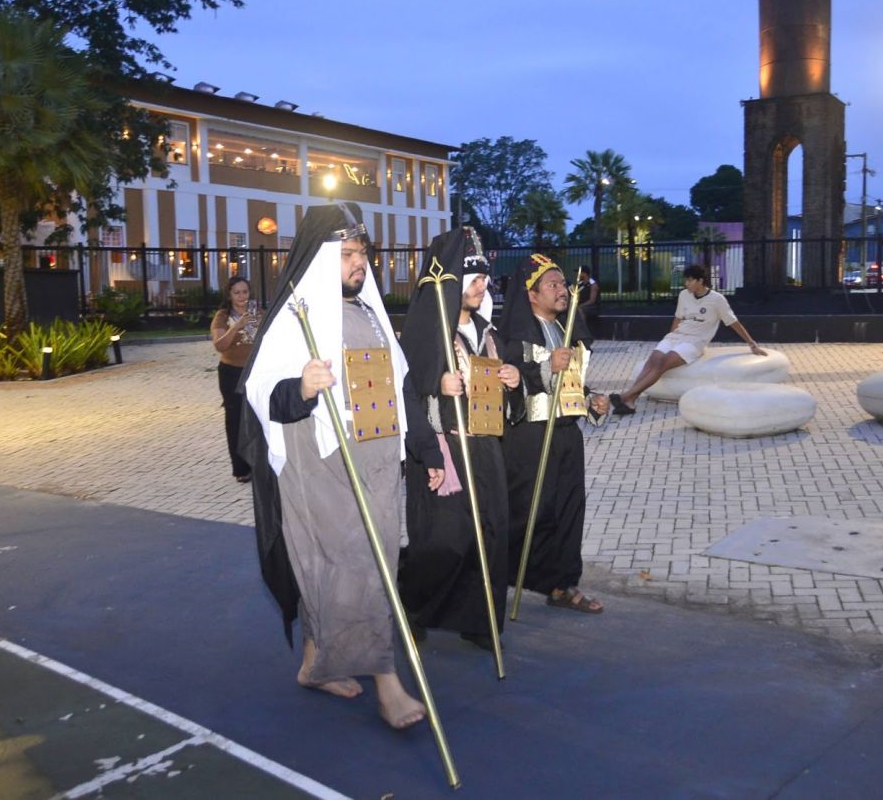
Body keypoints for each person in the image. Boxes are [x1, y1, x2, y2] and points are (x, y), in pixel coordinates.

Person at [241, 202, 442, 730]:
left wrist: (427, 449)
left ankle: (316, 662)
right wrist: (302, 387)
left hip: (378, 459)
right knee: (357, 565)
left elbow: (400, 387)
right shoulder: (297, 317)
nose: (359, 263)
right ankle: (387, 680)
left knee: (359, 564)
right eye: (347, 254)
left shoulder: (371, 314)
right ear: (320, 258)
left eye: (362, 254)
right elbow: (261, 393)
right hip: (324, 464)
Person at [399, 227, 520, 652]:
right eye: (473, 277)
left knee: (489, 534)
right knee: (446, 540)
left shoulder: (488, 332)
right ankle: (413, 608)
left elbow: (507, 400)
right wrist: (437, 385)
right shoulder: (427, 334)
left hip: (486, 446)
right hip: (445, 449)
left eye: (485, 277)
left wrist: (513, 380)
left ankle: (478, 619)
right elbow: (405, 394)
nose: (482, 285)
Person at [500, 254, 610, 614]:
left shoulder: (566, 331)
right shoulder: (513, 336)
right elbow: (509, 381)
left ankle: (562, 584)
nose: (562, 290)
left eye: (563, 283)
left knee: (568, 511)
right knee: (530, 513)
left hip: (565, 434)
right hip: (530, 437)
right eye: (553, 284)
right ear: (531, 294)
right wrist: (547, 367)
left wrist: (592, 402)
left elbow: (572, 383)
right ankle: (496, 576)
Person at [608, 264, 766, 415]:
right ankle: (630, 401)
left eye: (690, 280)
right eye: (686, 280)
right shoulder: (684, 295)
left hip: (694, 342)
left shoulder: (717, 299)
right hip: (676, 336)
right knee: (652, 360)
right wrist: (669, 339)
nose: (686, 283)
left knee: (662, 364)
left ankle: (624, 396)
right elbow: (678, 318)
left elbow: (733, 322)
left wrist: (752, 344)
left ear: (700, 281)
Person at [211, 276, 260, 483]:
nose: (241, 296)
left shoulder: (257, 313)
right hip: (231, 372)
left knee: (258, 417)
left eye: (245, 292)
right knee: (236, 419)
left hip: (255, 372)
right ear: (229, 295)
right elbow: (220, 345)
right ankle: (241, 469)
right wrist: (237, 326)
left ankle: (259, 464)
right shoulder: (223, 316)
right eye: (237, 293)